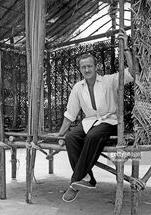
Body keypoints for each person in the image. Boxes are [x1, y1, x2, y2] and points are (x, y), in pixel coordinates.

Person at [49, 28, 136, 202]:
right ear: (80, 69)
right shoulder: (77, 88)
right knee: (72, 137)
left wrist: (126, 48)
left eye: (90, 66)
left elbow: (133, 73)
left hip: (110, 121)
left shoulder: (109, 80)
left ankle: (75, 182)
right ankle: (88, 178)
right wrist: (60, 134)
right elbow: (70, 114)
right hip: (90, 121)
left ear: (96, 67)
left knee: (93, 136)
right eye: (83, 67)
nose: (87, 69)